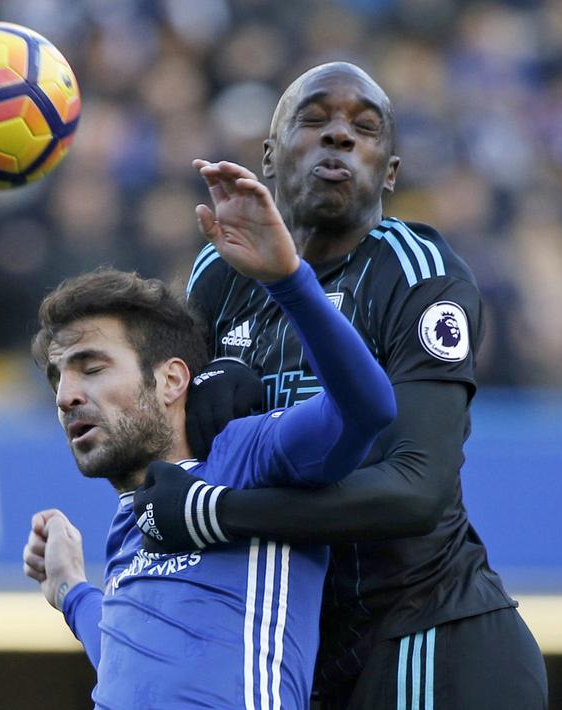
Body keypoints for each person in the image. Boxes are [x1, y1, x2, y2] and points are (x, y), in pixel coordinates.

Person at [134, 62, 548, 708]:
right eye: (314, 119)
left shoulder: (420, 274)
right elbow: (171, 463)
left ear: (389, 172)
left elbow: (415, 489)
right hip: (310, 653)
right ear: (269, 157)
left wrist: (218, 513)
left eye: (365, 127)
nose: (339, 136)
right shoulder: (218, 271)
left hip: (427, 635)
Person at [21, 159, 397, 709]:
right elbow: (131, 663)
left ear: (171, 379)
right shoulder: (133, 518)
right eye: (58, 378)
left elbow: (367, 408)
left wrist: (289, 282)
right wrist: (71, 591)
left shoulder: (249, 458)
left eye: (92, 367)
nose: (65, 396)